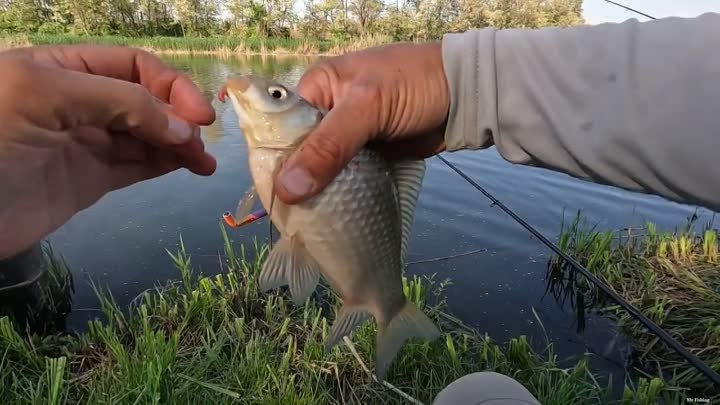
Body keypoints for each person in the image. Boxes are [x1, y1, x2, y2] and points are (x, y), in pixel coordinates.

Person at [0, 11, 719, 405]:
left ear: (305, 128)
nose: (254, 91)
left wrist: (475, 81)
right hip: (314, 227)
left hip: (347, 249)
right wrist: (475, 80)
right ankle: (385, 311)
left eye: (276, 97)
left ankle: (384, 309)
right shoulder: (274, 153)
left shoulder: (302, 151)